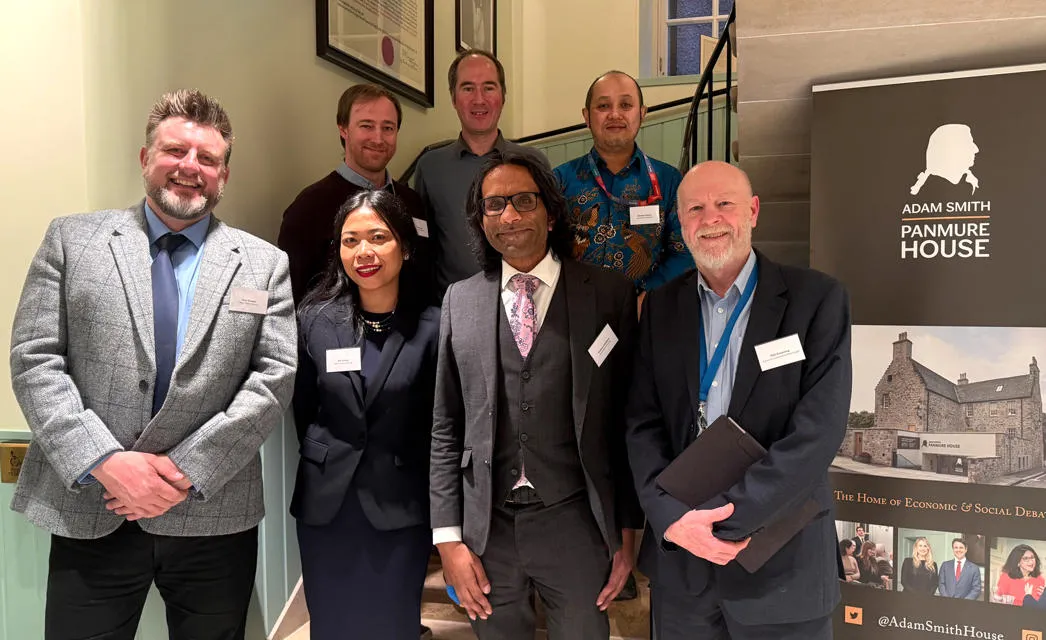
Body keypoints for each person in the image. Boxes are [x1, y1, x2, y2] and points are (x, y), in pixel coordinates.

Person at [8, 89, 297, 639]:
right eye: (175, 151)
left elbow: (273, 379)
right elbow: (35, 359)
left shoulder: (264, 264)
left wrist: (184, 471)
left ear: (224, 175)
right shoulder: (73, 241)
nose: (190, 168)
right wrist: (107, 461)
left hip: (213, 515)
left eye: (207, 159)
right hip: (94, 505)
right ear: (146, 158)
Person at [625, 160, 852, 639]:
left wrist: (726, 520)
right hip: (683, 570)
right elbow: (641, 425)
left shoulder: (817, 300)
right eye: (695, 208)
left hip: (782, 564)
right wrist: (674, 519)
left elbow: (819, 432)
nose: (710, 219)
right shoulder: (660, 308)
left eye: (724, 204)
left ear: (752, 211)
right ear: (680, 223)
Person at [429, 152, 643, 639]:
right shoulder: (458, 302)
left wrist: (627, 533)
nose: (509, 215)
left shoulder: (608, 294)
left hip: (576, 521)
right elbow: (445, 428)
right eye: (494, 205)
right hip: (488, 528)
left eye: (524, 201)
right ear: (480, 221)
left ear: (550, 212)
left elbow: (625, 423)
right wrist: (448, 541)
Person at [290, 190, 439, 638]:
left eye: (378, 237)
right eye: (350, 240)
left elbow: (441, 424)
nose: (364, 252)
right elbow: (304, 408)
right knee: (331, 623)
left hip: (399, 504)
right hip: (326, 505)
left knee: (393, 622)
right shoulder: (314, 319)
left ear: (406, 247)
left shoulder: (436, 324)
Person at [278, 83, 431, 305]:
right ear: (343, 128)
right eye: (367, 126)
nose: (378, 139)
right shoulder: (309, 208)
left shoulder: (412, 202)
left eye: (388, 128)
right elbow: (292, 296)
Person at [414, 49, 550, 295]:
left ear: (503, 96)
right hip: (454, 309)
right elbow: (425, 247)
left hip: (526, 303)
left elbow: (550, 236)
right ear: (454, 98)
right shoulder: (430, 166)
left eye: (489, 87)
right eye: (468, 88)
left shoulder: (533, 162)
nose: (479, 99)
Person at [554, 71, 692, 307]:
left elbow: (684, 252)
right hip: (573, 312)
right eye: (603, 106)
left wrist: (646, 297)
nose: (615, 114)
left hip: (645, 314)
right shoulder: (559, 180)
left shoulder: (668, 181)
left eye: (626, 105)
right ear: (587, 116)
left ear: (642, 113)